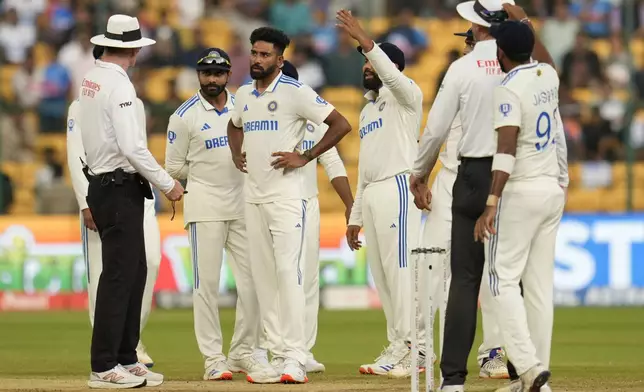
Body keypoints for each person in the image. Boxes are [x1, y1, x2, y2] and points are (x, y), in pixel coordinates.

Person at [409, 1, 556, 390]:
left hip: (474, 174)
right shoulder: (534, 69)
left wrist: (419, 173)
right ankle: (522, 371)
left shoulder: (462, 67)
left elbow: (436, 128)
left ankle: (454, 380)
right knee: (518, 281)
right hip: (518, 175)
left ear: (478, 25)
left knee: (465, 279)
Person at [227, 27, 352, 384]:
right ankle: (275, 352)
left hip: (288, 199)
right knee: (264, 280)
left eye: (265, 54)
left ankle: (296, 356)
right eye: (254, 53)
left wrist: (306, 155)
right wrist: (237, 153)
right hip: (254, 197)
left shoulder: (296, 92)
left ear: (280, 59)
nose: (256, 59)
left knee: (289, 275)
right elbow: (234, 125)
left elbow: (340, 124)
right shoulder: (244, 95)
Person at [389, 29, 507, 380]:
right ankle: (421, 349)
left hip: (482, 180)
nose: (469, 43)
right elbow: (439, 132)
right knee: (429, 268)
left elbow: (435, 131)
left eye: (471, 37)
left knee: (491, 272)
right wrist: (424, 174)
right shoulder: (463, 72)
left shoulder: (497, 72)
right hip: (454, 181)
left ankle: (493, 353)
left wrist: (418, 174)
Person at [79, 14, 184, 389]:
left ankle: (125, 356)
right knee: (121, 277)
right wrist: (167, 182)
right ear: (134, 49)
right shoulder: (118, 87)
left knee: (134, 271)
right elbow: (132, 147)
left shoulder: (92, 79)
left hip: (109, 185)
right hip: (118, 186)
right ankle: (103, 365)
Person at [164, 47, 278, 383]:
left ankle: (243, 350)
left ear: (229, 75)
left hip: (244, 205)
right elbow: (173, 167)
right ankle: (213, 358)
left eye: (218, 74)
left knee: (255, 282)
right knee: (206, 286)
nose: (212, 80)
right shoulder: (183, 116)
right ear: (199, 76)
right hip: (205, 206)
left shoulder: (243, 104)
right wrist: (203, 170)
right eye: (205, 74)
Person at [473, 20, 565, 392]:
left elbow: (506, 149)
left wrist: (491, 202)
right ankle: (536, 380)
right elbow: (542, 55)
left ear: (499, 54)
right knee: (540, 287)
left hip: (521, 191)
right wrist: (522, 17)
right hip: (551, 190)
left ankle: (527, 368)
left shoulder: (507, 88)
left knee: (500, 281)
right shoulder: (548, 75)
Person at [335, 9, 424, 376]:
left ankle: (415, 349)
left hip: (399, 187)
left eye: (371, 64)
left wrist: (363, 39)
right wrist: (355, 216)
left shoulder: (407, 96)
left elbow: (387, 71)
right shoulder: (369, 110)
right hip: (373, 194)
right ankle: (397, 344)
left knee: (402, 271)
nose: (366, 69)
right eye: (364, 65)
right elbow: (364, 169)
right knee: (383, 277)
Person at [67, 44, 161, 370]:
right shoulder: (84, 102)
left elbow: (136, 149)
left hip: (135, 190)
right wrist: (84, 202)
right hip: (107, 190)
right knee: (107, 276)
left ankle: (128, 346)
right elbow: (77, 154)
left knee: (143, 265)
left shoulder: (131, 99)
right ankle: (107, 357)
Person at [257, 60, 354, 374]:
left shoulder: (314, 124)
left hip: (308, 204)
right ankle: (280, 349)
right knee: (279, 278)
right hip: (275, 202)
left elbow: (334, 164)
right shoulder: (267, 120)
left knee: (307, 279)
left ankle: (302, 349)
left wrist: (350, 204)